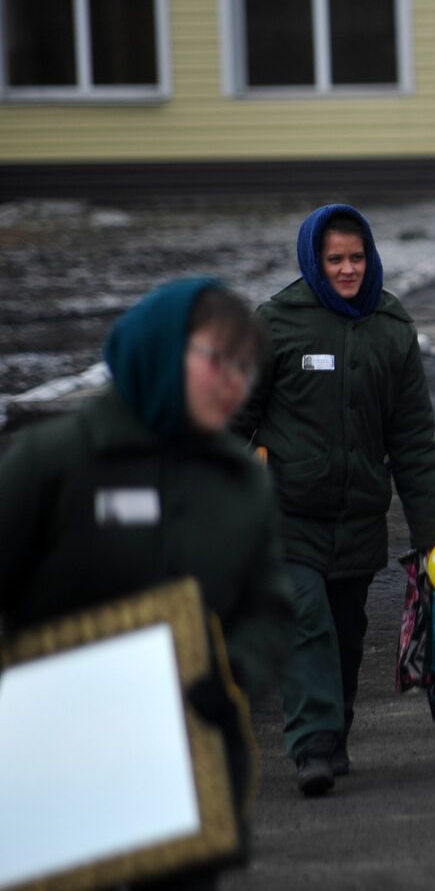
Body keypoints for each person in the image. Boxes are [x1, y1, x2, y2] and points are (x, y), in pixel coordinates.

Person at [0, 277, 292, 889]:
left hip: (184, 769)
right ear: (161, 349)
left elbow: (268, 608)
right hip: (54, 765)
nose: (234, 382)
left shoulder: (241, 482)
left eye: (245, 367)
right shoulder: (52, 460)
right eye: (219, 359)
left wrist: (233, 673)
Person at [231, 204, 435, 796]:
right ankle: (312, 748)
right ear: (313, 261)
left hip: (359, 516)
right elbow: (235, 419)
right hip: (288, 515)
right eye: (335, 260)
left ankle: (335, 732)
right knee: (308, 628)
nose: (348, 270)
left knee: (347, 633)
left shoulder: (391, 326)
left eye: (356, 258)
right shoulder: (275, 324)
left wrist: (433, 535)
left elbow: (412, 440)